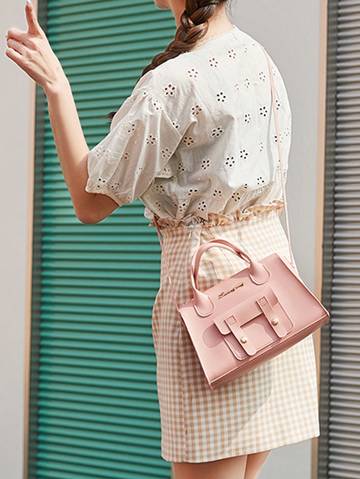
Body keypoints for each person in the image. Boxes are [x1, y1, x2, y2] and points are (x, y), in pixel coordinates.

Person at [5, 1, 320, 478]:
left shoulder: (174, 82)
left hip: (213, 312)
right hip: (273, 298)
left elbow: (90, 202)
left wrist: (57, 86)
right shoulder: (260, 60)